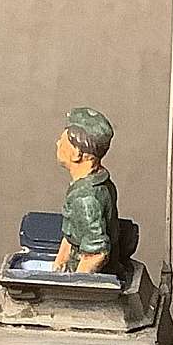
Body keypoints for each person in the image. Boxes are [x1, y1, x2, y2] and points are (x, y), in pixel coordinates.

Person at [52, 107, 120, 274]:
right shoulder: (99, 182)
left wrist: (73, 284)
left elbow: (95, 254)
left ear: (76, 153)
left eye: (63, 140)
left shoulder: (85, 199)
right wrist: (58, 266)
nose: (58, 143)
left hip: (84, 274)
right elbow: (73, 231)